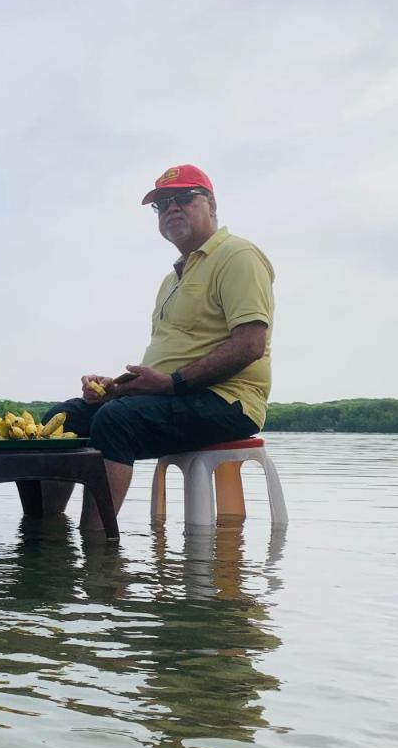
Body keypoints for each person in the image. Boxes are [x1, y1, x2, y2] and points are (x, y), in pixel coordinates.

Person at [44, 165, 274, 519]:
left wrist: (172, 383)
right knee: (60, 419)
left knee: (116, 421)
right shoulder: (172, 280)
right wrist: (118, 388)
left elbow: (250, 344)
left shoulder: (237, 256)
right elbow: (169, 362)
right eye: (162, 204)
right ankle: (45, 540)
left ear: (211, 204)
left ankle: (97, 555)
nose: (171, 209)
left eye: (183, 198)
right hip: (175, 394)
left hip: (229, 401)